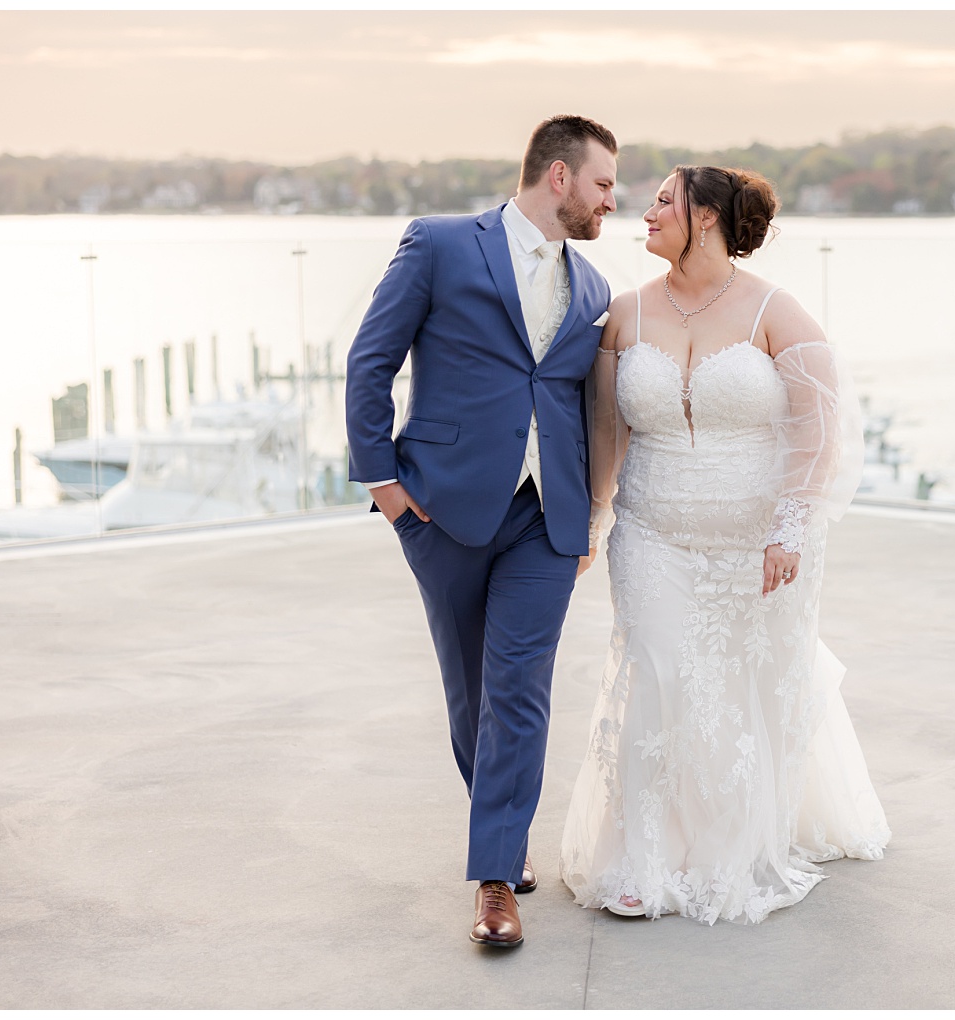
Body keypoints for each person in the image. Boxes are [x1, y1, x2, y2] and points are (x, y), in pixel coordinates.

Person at [559, 166, 891, 925]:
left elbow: (819, 430)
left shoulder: (777, 312)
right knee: (656, 672)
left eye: (664, 201)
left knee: (732, 692)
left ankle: (724, 847)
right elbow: (609, 429)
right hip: (650, 529)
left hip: (751, 542)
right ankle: (641, 857)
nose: (646, 212)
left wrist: (790, 530)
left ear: (705, 217)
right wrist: (596, 516)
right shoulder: (626, 314)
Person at [345, 114, 618, 949]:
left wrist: (586, 521)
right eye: (605, 183)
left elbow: (579, 407)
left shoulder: (598, 289)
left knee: (518, 691)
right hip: (443, 509)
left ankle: (496, 878)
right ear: (560, 177)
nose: (615, 200)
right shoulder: (438, 244)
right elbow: (371, 359)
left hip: (547, 520)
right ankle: (499, 832)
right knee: (471, 694)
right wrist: (386, 486)